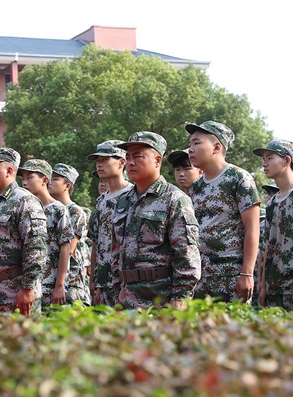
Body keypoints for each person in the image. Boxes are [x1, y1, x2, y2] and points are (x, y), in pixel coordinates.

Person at [113, 131, 201, 308]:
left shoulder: (174, 199)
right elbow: (116, 253)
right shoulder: (123, 202)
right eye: (128, 157)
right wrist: (116, 294)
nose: (130, 163)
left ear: (157, 160)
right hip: (126, 299)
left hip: (161, 299)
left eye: (138, 156)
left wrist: (180, 297)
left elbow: (186, 254)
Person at [187, 121, 261, 303]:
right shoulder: (196, 186)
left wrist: (247, 273)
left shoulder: (238, 178)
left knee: (233, 328)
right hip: (201, 276)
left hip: (230, 275)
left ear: (216, 147)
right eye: (190, 145)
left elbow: (253, 227)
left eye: (196, 143)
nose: (190, 149)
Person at [0, 147, 47, 316]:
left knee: (18, 341)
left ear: (8, 170)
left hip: (15, 293)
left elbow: (36, 248)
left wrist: (28, 288)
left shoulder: (24, 201)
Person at [253, 139, 293, 309]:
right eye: (264, 160)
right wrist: (262, 283)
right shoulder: (272, 202)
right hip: (274, 284)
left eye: (270, 158)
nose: (264, 164)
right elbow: (267, 244)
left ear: (287, 160)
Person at [19, 159, 72, 306]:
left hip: (51, 285)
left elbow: (65, 248)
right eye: (23, 178)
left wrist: (60, 285)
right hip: (29, 285)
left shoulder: (58, 210)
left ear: (45, 180)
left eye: (30, 178)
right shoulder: (24, 210)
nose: (24, 182)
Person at [87, 140, 131, 306]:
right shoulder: (101, 202)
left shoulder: (133, 196)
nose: (100, 164)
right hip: (103, 283)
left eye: (105, 160)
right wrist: (94, 281)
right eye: (98, 161)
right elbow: (95, 244)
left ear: (121, 162)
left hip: (126, 282)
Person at [50, 163, 91, 305]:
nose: (49, 182)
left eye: (55, 179)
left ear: (67, 186)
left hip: (71, 279)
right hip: (50, 275)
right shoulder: (50, 209)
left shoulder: (76, 212)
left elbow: (69, 250)